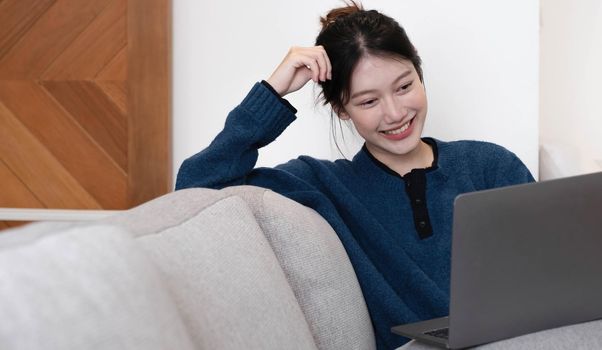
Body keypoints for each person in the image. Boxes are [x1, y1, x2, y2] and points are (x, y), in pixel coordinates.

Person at [175, 2, 534, 348]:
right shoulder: (326, 185)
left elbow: (551, 273)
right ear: (341, 109)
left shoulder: (490, 165)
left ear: (420, 76)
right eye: (368, 101)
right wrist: (274, 90)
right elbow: (196, 186)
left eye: (405, 86)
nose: (394, 113)